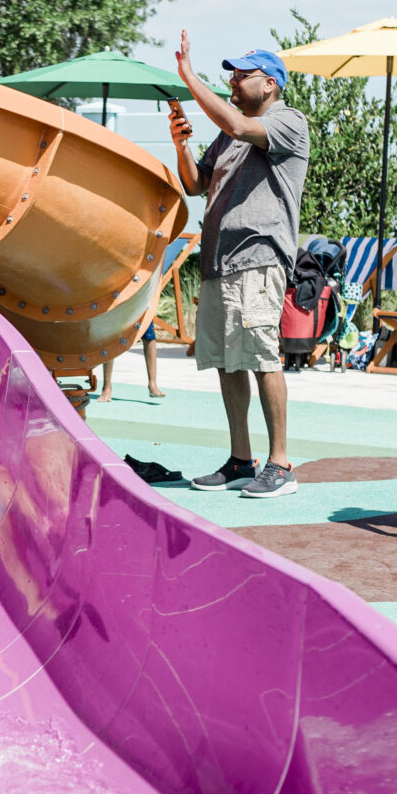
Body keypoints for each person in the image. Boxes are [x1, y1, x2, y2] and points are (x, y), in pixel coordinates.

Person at [128, 32, 310, 499]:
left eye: (241, 75)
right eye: (228, 74)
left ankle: (281, 464)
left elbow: (238, 124)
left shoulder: (287, 122)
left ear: (269, 83)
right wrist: (181, 144)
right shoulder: (229, 137)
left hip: (257, 258)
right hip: (219, 262)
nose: (232, 81)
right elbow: (194, 184)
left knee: (262, 358)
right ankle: (240, 460)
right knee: (229, 362)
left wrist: (190, 77)